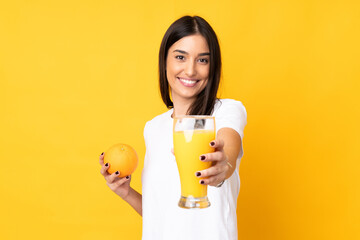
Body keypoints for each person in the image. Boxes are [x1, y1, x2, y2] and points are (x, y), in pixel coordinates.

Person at [99, 15, 247, 240]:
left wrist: (222, 168)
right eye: (181, 57)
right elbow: (161, 216)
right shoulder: (154, 128)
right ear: (164, 61)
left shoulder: (225, 112)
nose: (190, 70)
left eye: (203, 60)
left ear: (212, 66)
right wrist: (126, 193)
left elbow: (227, 151)